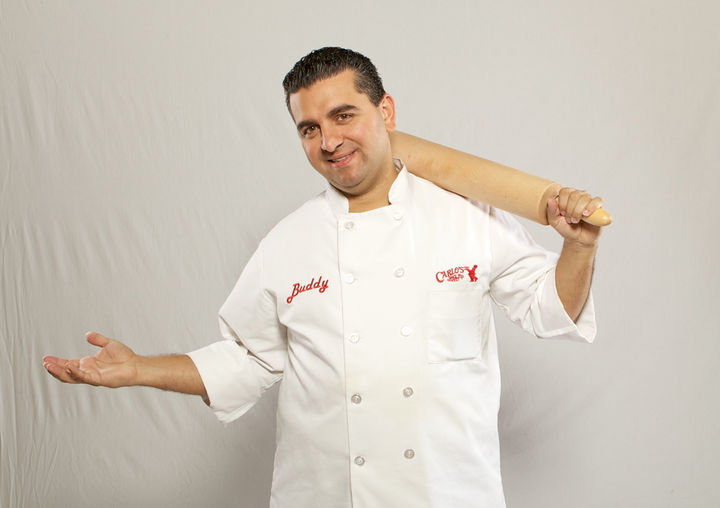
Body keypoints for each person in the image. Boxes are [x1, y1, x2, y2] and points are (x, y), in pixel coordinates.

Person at [43, 47, 603, 508]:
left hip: (449, 493)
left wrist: (577, 247)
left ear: (386, 111)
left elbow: (550, 309)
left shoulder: (468, 217)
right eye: (309, 128)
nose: (329, 142)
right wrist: (139, 369)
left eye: (343, 116)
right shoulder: (288, 242)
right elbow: (246, 358)